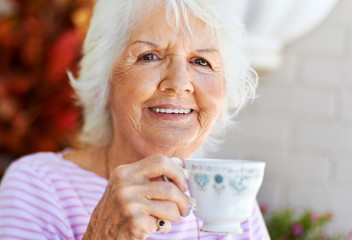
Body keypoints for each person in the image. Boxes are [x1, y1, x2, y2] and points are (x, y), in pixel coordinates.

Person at [0, 0, 270, 239]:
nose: (178, 83)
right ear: (103, 83)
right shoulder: (38, 186)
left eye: (201, 61)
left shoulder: (233, 199)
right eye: (149, 56)